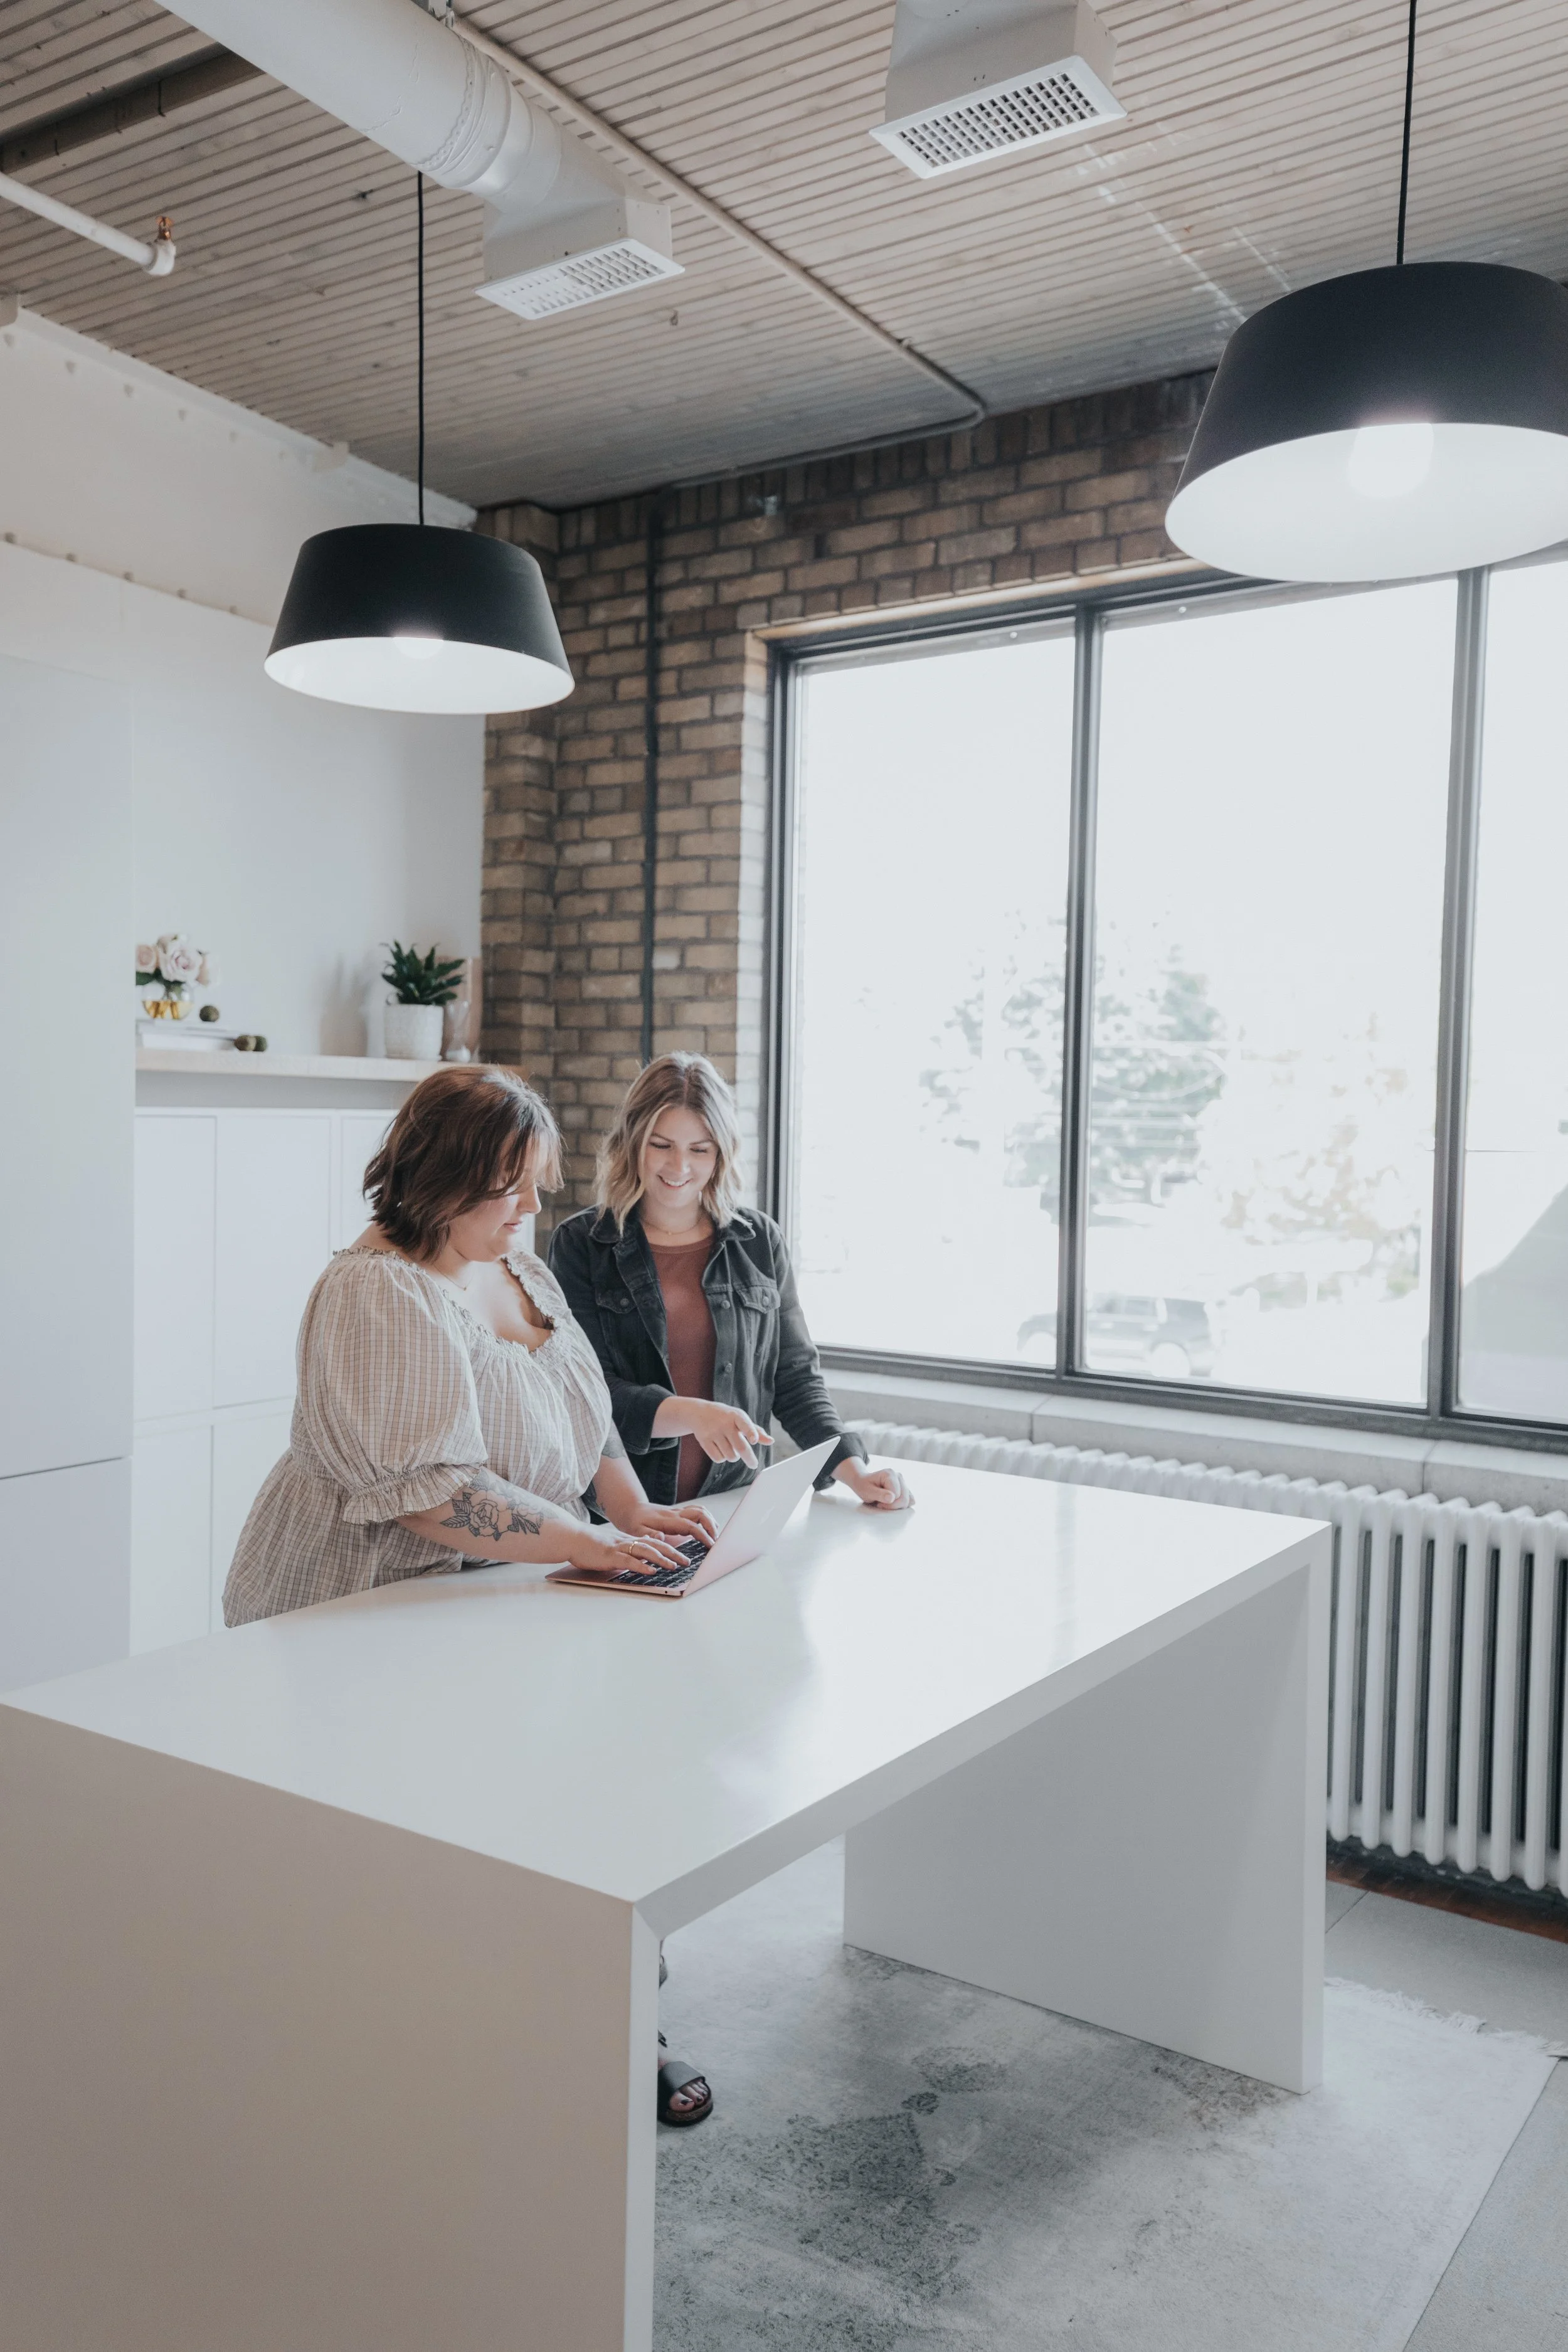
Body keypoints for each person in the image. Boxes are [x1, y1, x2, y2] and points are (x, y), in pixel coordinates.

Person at [223, 1063, 716, 2126]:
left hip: (500, 1595)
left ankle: (606, 2025)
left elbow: (584, 1419)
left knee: (581, 1814)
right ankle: (437, 2065)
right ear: (439, 1179)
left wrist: (632, 1516)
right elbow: (431, 1498)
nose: (532, 1209)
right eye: (512, 1187)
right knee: (423, 1861)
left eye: (536, 1185)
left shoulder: (519, 1267)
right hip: (372, 1609)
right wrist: (583, 1542)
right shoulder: (375, 1291)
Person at [548, 1053, 912, 1517]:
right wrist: (691, 1414)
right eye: (662, 1145)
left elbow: (795, 1378)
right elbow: (586, 1396)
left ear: (721, 1152)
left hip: (735, 1508)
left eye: (700, 1149)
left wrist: (853, 1469)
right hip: (620, 1517)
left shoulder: (758, 1241)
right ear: (632, 1142)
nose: (680, 1166)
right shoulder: (582, 1245)